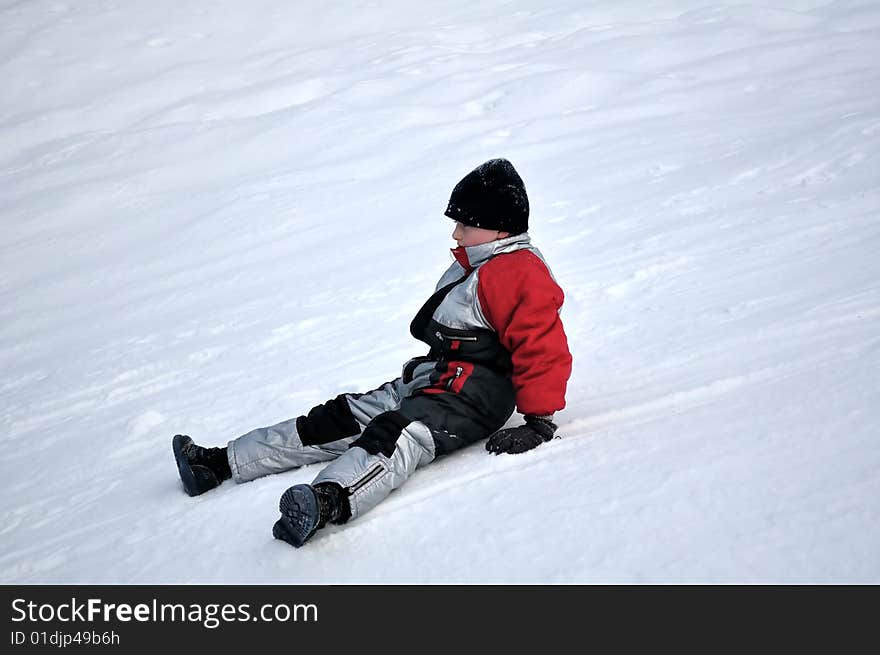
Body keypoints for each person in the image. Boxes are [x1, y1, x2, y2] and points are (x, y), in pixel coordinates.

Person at [172, 158, 573, 547]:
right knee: (341, 414)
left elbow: (543, 347)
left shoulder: (520, 273)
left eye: (465, 224)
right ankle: (219, 462)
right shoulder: (481, 260)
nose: (455, 233)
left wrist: (538, 421)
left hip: (472, 400)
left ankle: (328, 500)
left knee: (397, 433)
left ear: (500, 230)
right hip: (435, 378)